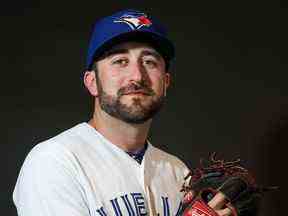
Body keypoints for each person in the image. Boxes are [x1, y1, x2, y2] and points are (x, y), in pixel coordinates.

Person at [13, 9, 233, 216]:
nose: (136, 76)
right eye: (120, 61)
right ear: (92, 82)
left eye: (149, 62)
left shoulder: (177, 172)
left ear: (165, 82)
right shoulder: (54, 162)